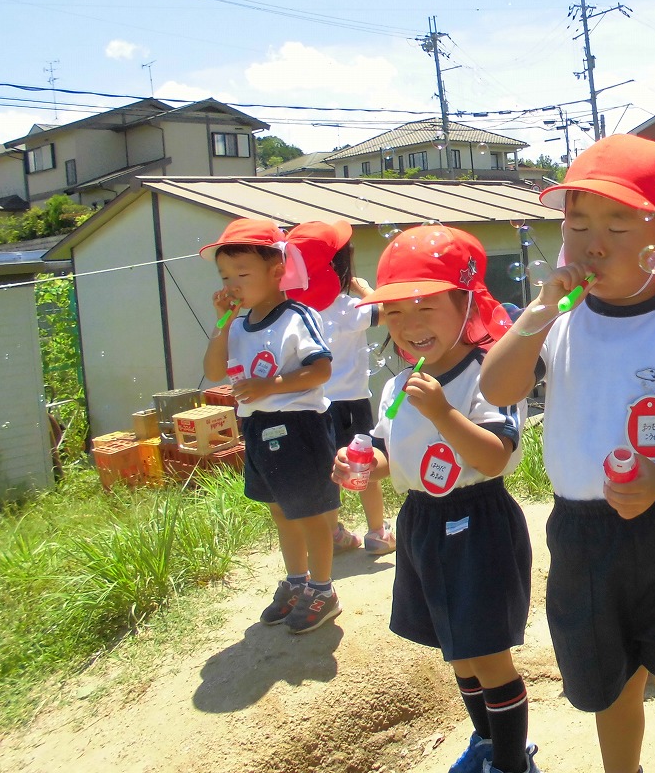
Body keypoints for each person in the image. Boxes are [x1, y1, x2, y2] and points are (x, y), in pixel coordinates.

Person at [480, 135, 655, 773]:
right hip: (582, 533)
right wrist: (535, 315)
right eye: (577, 223)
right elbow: (497, 387)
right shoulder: (559, 323)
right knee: (609, 687)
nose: (592, 241)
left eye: (619, 224)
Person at [333, 224, 539, 773]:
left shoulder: (490, 374)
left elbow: (496, 456)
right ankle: (489, 742)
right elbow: (385, 449)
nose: (408, 326)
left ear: (466, 302)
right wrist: (362, 466)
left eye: (425, 307)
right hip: (423, 520)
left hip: (479, 520)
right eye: (395, 313)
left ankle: (514, 763)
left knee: (490, 655)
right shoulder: (400, 385)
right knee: (459, 651)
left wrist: (444, 414)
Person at [200, 218, 342, 634]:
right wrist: (223, 321)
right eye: (226, 275)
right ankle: (296, 583)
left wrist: (271, 385)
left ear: (277, 272)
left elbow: (321, 370)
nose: (233, 283)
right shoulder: (238, 324)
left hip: (299, 427)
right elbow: (212, 370)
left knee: (311, 513)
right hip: (258, 428)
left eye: (243, 273)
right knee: (281, 512)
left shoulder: (297, 315)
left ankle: (322, 589)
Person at [284, 220, 395, 557]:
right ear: (339, 267)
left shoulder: (296, 312)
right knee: (364, 466)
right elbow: (389, 310)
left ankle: (333, 533)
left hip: (314, 404)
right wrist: (365, 290)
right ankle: (377, 532)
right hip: (352, 402)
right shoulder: (348, 307)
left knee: (331, 469)